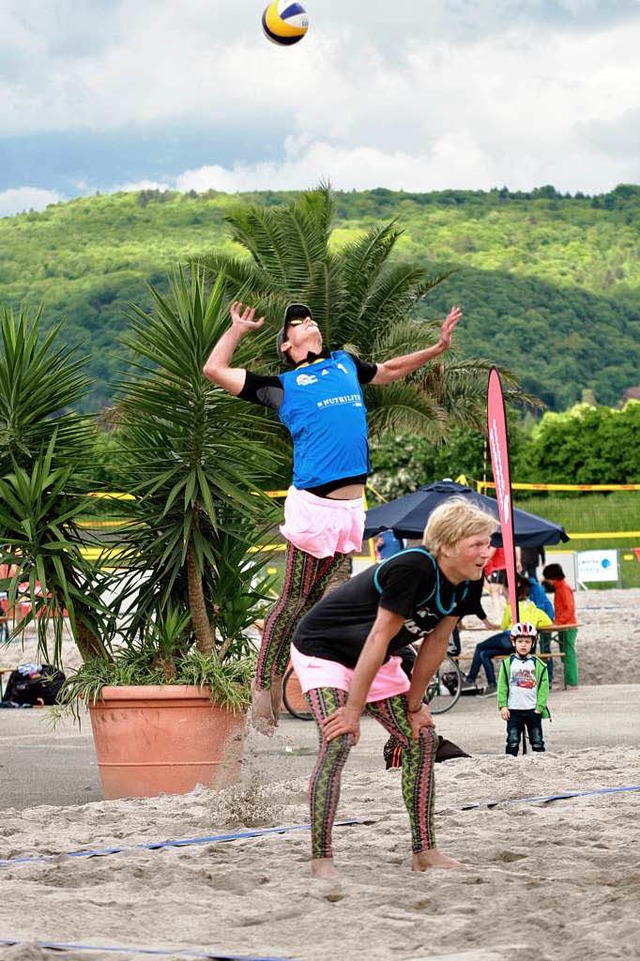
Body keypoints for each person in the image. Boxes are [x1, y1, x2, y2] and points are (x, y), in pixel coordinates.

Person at [203, 300, 463, 733]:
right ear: (287, 345)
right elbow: (214, 370)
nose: (309, 321)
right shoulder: (283, 385)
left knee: (336, 606)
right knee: (295, 599)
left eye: (309, 317)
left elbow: (391, 369)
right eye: (298, 322)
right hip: (315, 506)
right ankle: (262, 689)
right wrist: (237, 331)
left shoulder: (344, 363)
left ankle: (354, 693)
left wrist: (435, 349)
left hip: (349, 511)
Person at [289, 497, 497, 877]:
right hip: (325, 650)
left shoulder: (469, 579)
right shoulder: (413, 567)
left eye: (488, 542)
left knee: (422, 739)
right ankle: (322, 859)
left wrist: (416, 705)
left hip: (378, 657)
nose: (488, 551)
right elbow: (378, 636)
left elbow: (435, 644)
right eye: (479, 544)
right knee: (338, 739)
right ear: (448, 545)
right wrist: (352, 710)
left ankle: (424, 852)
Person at [462, 573, 552, 697]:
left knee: (480, 647)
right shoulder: (534, 609)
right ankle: (492, 685)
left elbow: (504, 626)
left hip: (509, 637)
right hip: (522, 644)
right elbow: (548, 621)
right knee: (484, 654)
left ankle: (471, 680)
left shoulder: (512, 608)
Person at [497, 622, 550, 756]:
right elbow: (502, 685)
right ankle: (510, 762)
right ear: (514, 642)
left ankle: (540, 760)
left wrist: (540, 706)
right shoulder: (508, 664)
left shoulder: (538, 664)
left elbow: (544, 687)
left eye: (527, 641)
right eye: (520, 641)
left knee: (537, 739)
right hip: (513, 709)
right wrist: (502, 705)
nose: (523, 644)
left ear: (533, 643)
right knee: (513, 740)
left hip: (533, 709)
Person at [542, 563, 579, 687]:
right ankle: (569, 681)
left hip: (568, 626)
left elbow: (569, 609)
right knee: (565, 653)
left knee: (568, 653)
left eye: (547, 578)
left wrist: (557, 623)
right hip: (563, 625)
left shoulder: (564, 588)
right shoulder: (559, 588)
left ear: (552, 578)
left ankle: (572, 682)